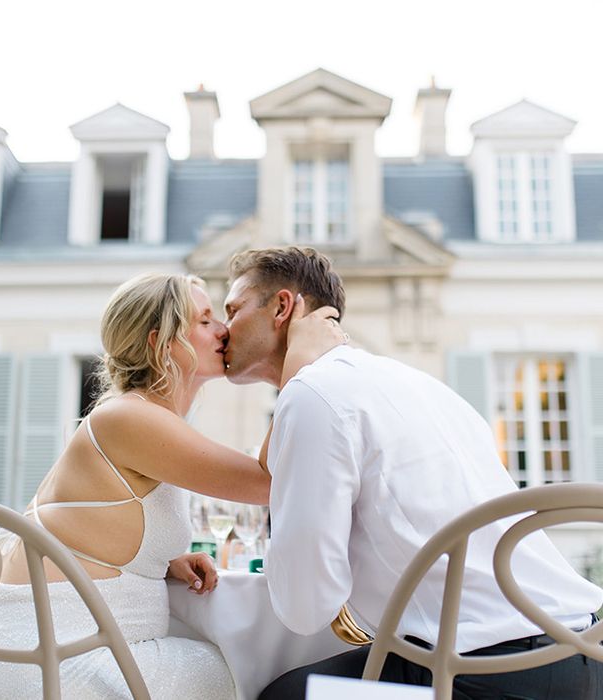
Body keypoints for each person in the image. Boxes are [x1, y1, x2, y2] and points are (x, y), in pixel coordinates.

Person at [218, 246, 603, 700]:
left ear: (282, 307)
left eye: (233, 309)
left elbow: (305, 609)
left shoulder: (313, 394)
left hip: (483, 674)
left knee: (284, 695)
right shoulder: (420, 384)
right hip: (582, 651)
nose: (223, 329)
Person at [0, 272, 342, 700]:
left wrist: (158, 558)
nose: (222, 330)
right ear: (161, 343)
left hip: (21, 654)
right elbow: (268, 482)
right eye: (205, 320)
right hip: (46, 665)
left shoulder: (127, 417)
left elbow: (76, 529)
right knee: (248, 667)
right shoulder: (130, 418)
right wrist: (297, 366)